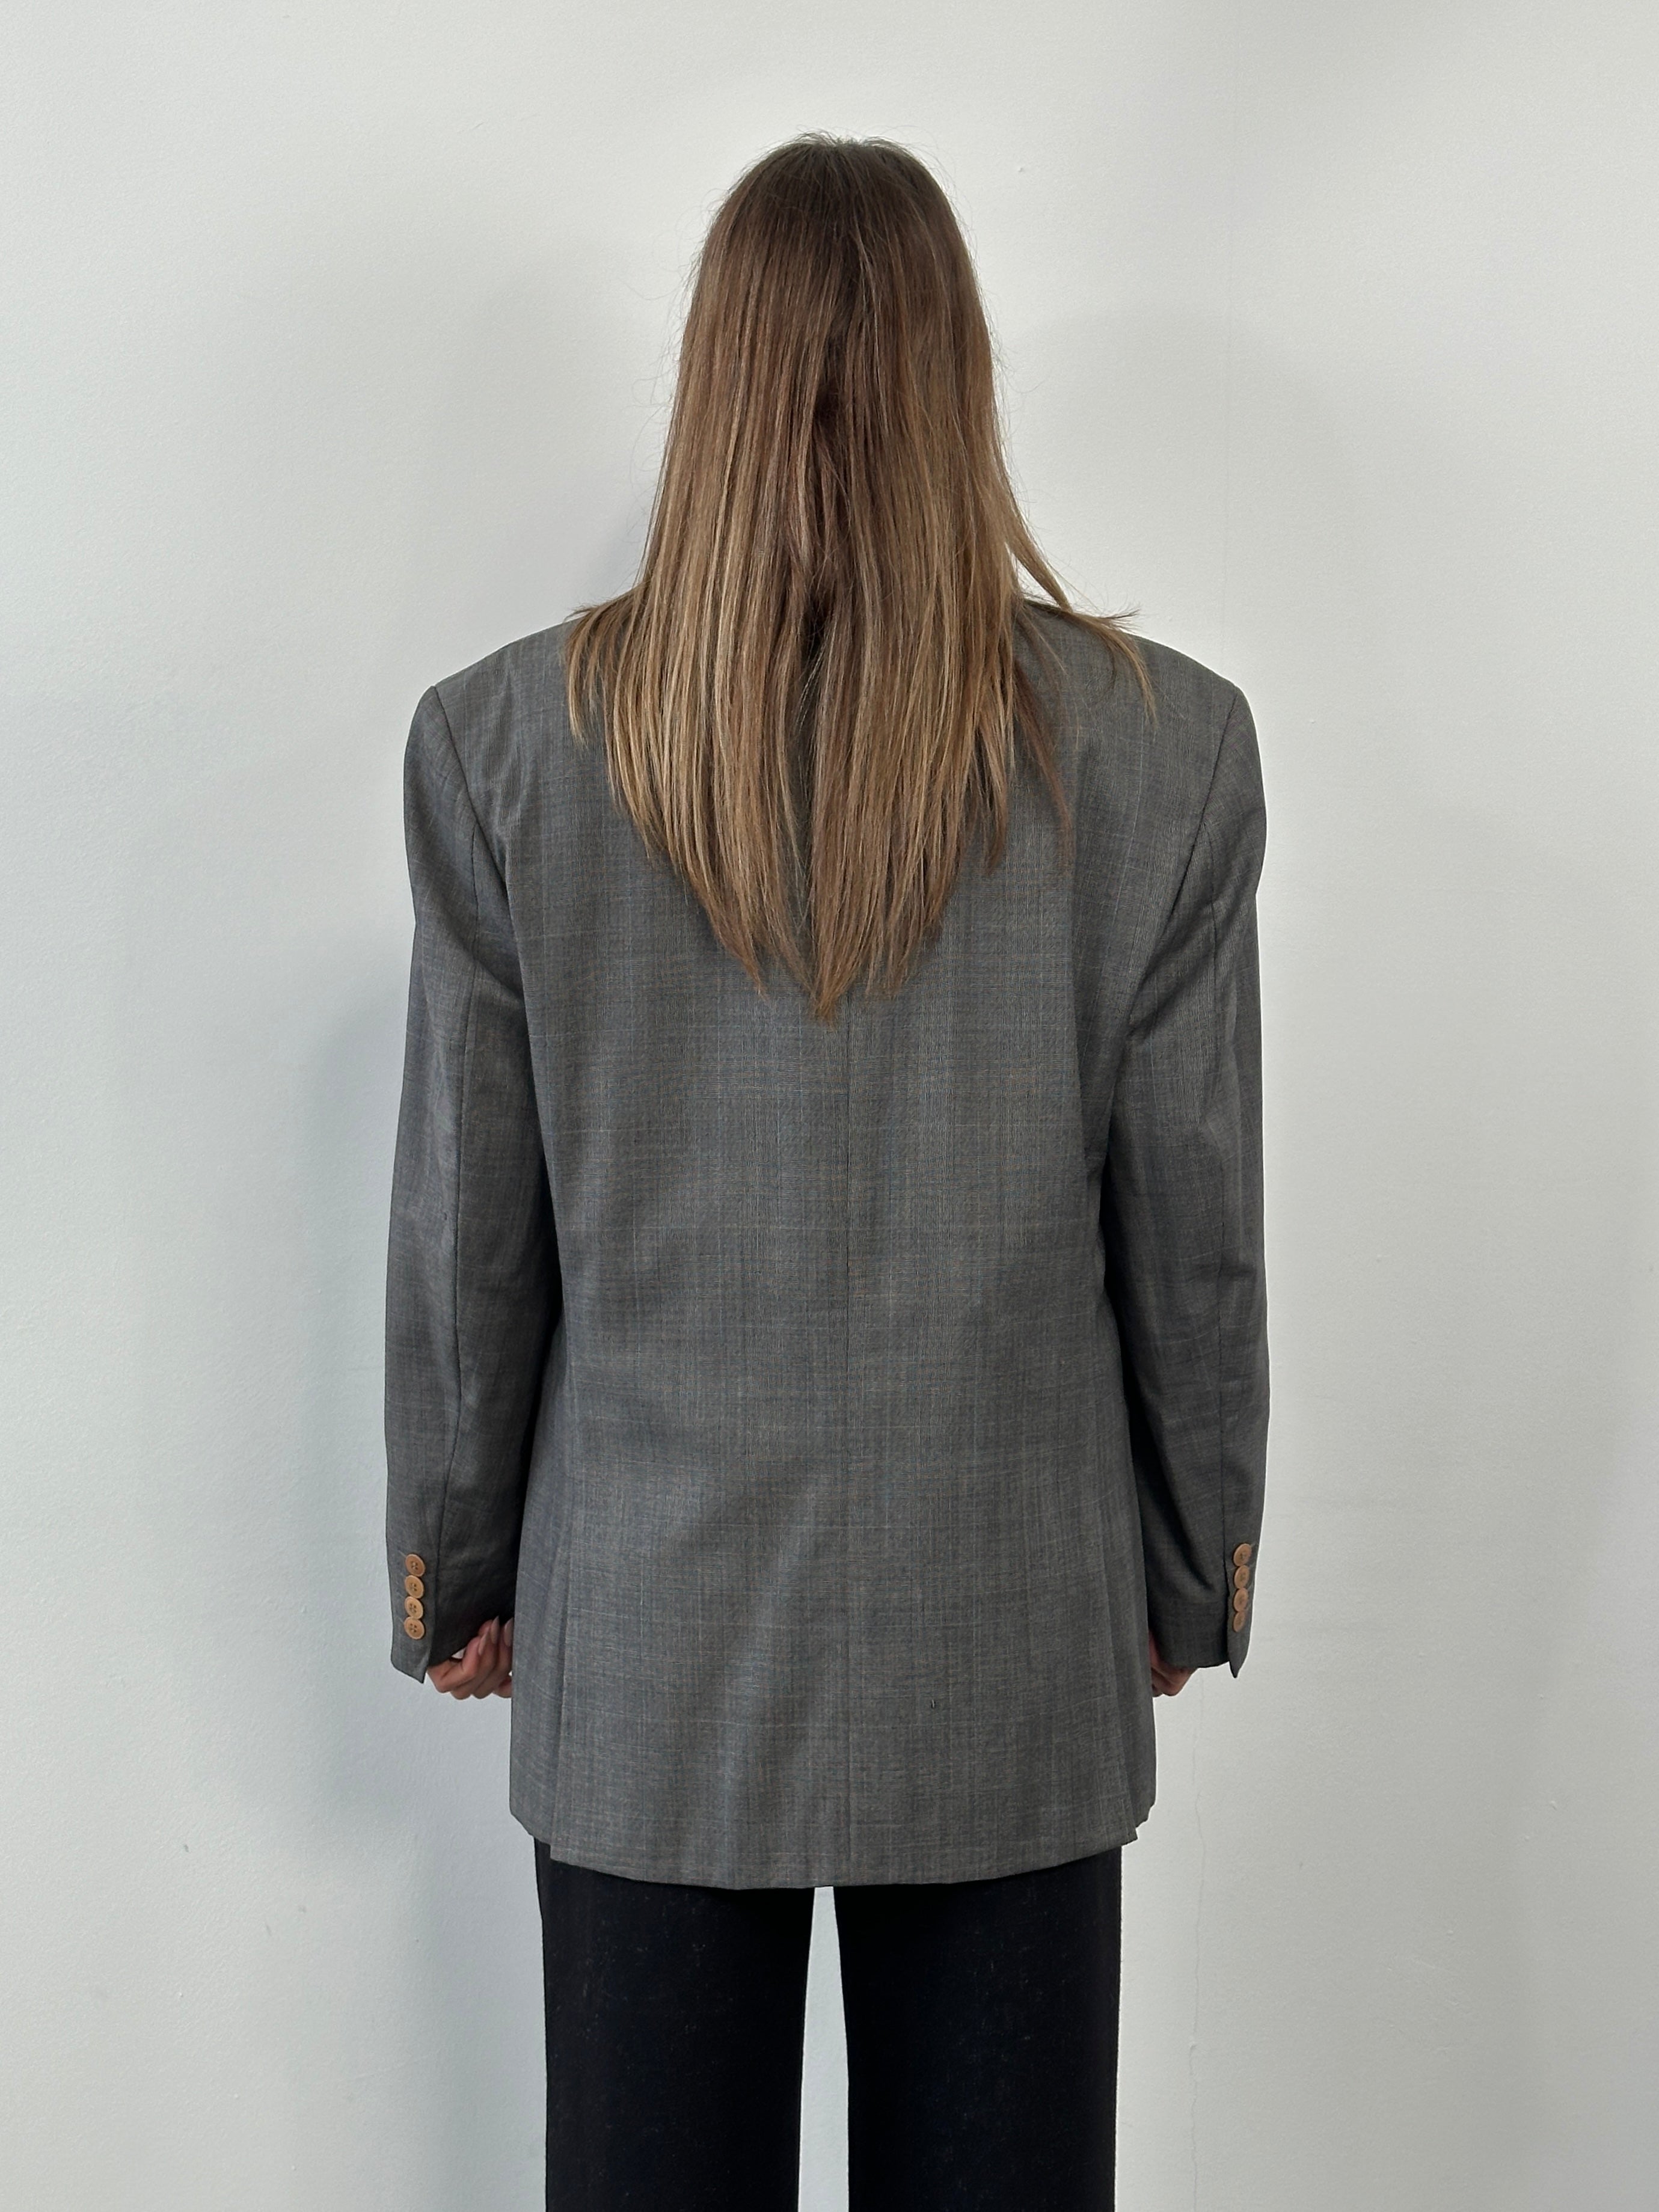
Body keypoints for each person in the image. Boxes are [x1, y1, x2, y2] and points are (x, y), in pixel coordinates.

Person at [382, 133, 1267, 2212]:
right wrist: (1184, 1568)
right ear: (964, 378)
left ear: (715, 375)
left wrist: (456, 1563)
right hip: (1017, 1632)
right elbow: (1196, 1241)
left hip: (648, 1646)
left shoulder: (506, 747)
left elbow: (467, 1239)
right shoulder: (1165, 748)